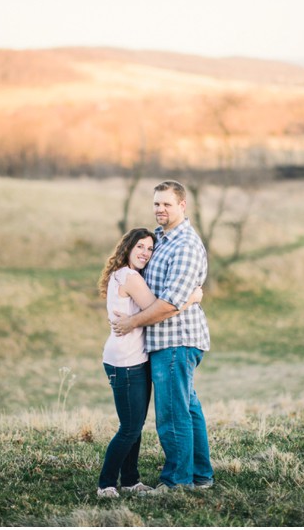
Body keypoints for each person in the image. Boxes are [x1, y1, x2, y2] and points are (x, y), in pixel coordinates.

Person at [112, 181, 214, 492]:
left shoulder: (185, 246)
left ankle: (176, 483)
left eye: (167, 204)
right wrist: (191, 297)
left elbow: (169, 305)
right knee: (187, 406)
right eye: (157, 204)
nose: (160, 209)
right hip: (164, 340)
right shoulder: (160, 238)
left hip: (176, 340)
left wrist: (132, 322)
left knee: (171, 413)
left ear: (183, 206)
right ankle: (200, 476)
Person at [96, 227, 202, 498]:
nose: (145, 253)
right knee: (129, 427)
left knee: (135, 424)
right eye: (140, 247)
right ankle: (106, 483)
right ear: (128, 248)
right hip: (125, 362)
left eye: (150, 248)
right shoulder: (130, 277)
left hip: (134, 358)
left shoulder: (126, 275)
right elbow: (159, 307)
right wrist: (192, 298)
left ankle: (131, 480)